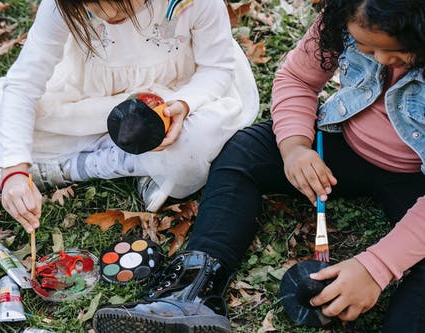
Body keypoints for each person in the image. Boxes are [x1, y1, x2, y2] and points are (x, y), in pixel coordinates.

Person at [92, 0, 425, 332]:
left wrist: (376, 267)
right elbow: (298, 79)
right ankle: (191, 290)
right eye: (367, 48)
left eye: (398, 54)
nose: (382, 61)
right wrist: (294, 147)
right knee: (243, 153)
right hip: (342, 141)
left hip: (415, 178)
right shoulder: (344, 17)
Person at [0, 0, 259, 232]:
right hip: (90, 101)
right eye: (92, 5)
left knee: (196, 142)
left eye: (121, 4)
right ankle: (135, 163)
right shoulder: (61, 5)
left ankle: (79, 166)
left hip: (170, 99)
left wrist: (185, 104)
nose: (108, 13)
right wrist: (15, 169)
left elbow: (217, 69)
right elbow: (25, 83)